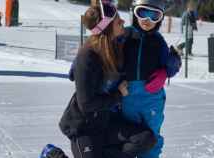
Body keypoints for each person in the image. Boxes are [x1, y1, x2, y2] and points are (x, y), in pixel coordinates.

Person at [40, 1, 157, 158]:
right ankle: (53, 154)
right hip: (84, 127)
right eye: (118, 21)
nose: (123, 22)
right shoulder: (87, 58)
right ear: (108, 29)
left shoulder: (117, 45)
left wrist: (168, 64)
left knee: (146, 139)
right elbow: (87, 104)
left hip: (106, 123)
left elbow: (142, 36)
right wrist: (118, 95)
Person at [120, 0, 182, 158]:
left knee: (151, 136)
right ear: (134, 12)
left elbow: (170, 66)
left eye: (154, 15)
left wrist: (167, 69)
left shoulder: (159, 42)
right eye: (143, 13)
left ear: (160, 19)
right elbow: (107, 57)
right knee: (127, 135)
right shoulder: (124, 36)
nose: (147, 20)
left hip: (151, 98)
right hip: (127, 96)